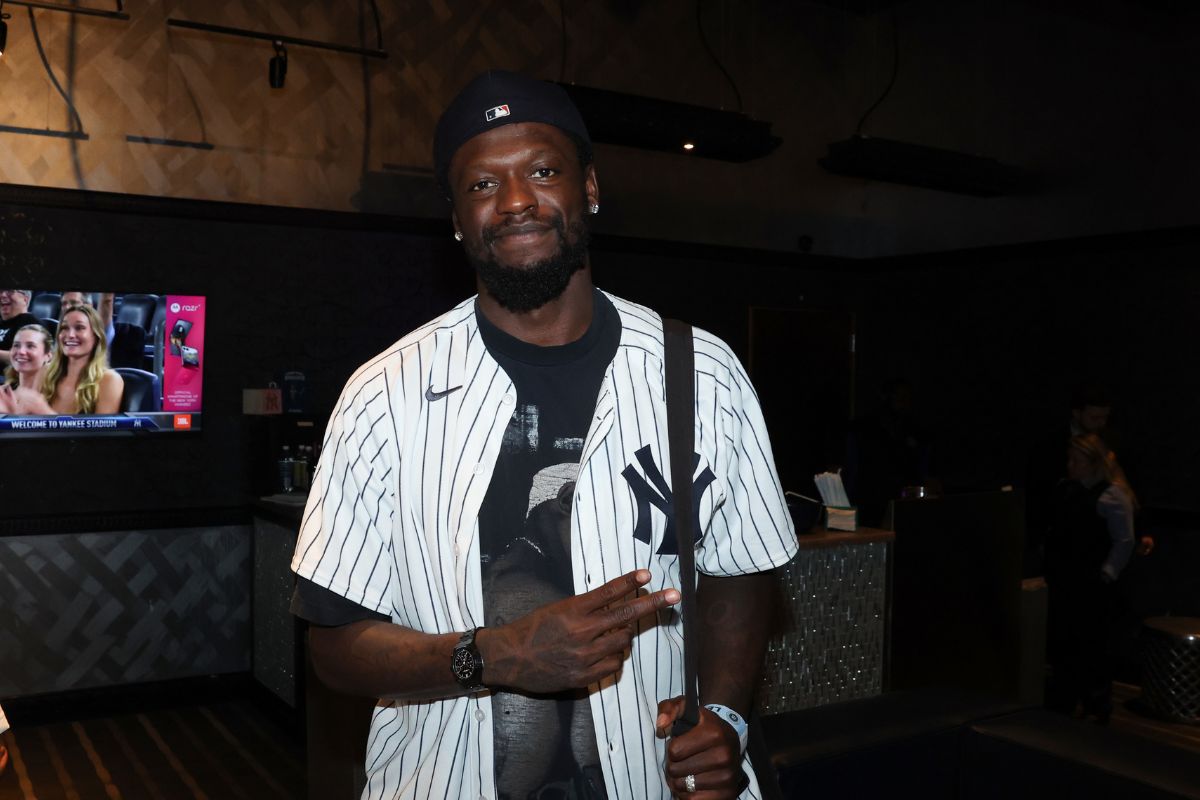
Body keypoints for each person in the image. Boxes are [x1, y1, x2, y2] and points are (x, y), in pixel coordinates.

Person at [290, 70, 797, 799]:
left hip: (653, 781)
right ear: (457, 219)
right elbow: (333, 647)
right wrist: (491, 655)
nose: (517, 200)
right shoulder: (383, 396)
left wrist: (723, 712)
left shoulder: (704, 372)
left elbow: (740, 567)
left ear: (588, 188)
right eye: (482, 184)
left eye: (544, 170)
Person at [1044, 433, 1136, 724]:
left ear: (1093, 463)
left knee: (1093, 644)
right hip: (1066, 577)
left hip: (1092, 581)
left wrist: (1107, 573)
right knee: (1065, 639)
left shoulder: (1111, 495)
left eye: (1076, 460)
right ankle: (1064, 697)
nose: (1070, 465)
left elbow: (1124, 540)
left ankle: (1096, 703)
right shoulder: (1067, 489)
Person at [17, 304, 124, 415]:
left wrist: (44, 411)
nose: (70, 335)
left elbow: (103, 431)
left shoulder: (110, 380)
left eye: (79, 328)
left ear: (96, 336)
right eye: (64, 328)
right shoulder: (45, 372)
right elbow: (28, 423)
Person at [0, 324, 53, 414]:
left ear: (47, 356)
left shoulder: (59, 394)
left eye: (30, 346)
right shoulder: (4, 393)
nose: (21, 351)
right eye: (16, 345)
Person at [0, 289, 40, 366]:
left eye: (10, 291)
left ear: (25, 300)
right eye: (0, 291)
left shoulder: (31, 323)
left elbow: (29, 357)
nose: (3, 295)